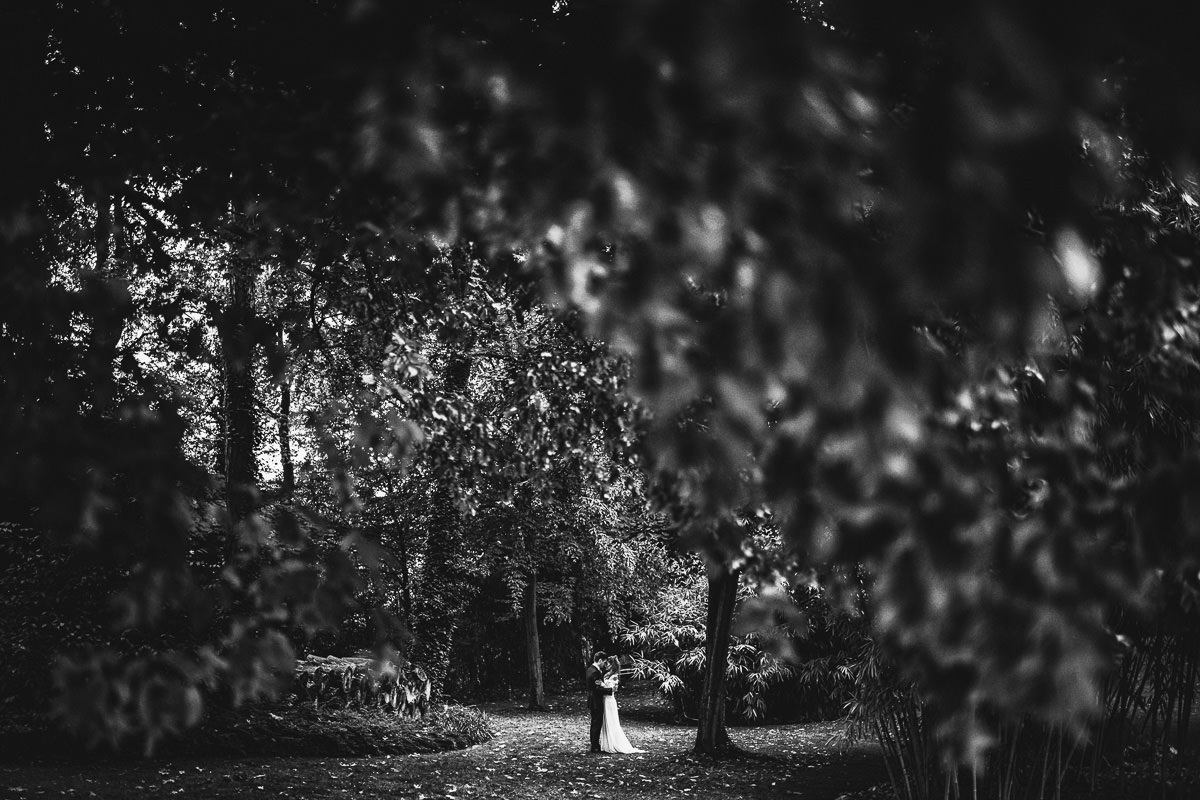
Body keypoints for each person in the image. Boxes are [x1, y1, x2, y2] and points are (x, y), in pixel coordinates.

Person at [597, 656, 644, 754]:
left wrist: (601, 684)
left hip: (609, 701)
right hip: (605, 700)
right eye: (606, 663)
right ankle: (607, 743)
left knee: (612, 722)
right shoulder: (607, 674)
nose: (606, 665)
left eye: (608, 663)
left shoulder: (614, 675)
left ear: (612, 664)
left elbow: (611, 689)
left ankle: (614, 743)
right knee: (606, 721)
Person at [585, 650, 612, 752]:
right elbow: (597, 688)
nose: (605, 665)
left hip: (593, 700)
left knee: (595, 722)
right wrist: (610, 690)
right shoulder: (594, 672)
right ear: (600, 660)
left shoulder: (590, 669)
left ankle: (595, 744)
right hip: (596, 701)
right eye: (604, 662)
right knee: (596, 723)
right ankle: (595, 746)